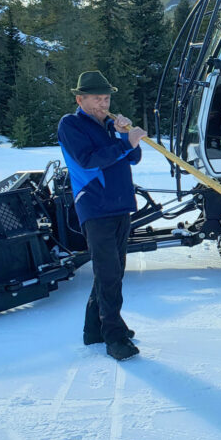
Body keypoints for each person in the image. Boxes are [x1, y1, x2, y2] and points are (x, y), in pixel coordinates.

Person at [57, 71, 147, 361]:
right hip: (95, 206)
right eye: (97, 98)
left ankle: (93, 329)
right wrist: (124, 143)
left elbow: (132, 157)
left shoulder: (109, 124)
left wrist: (124, 135)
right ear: (80, 99)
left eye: (106, 98)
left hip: (120, 204)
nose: (103, 104)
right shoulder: (71, 125)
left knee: (113, 270)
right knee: (108, 273)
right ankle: (114, 337)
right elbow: (89, 160)